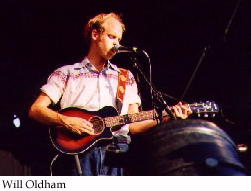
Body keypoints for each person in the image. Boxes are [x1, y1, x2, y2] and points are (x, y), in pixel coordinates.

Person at [28, 12, 192, 176]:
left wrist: (167, 117)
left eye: (119, 40)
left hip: (116, 154)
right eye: (112, 37)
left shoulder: (125, 78)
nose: (117, 44)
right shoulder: (67, 73)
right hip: (78, 155)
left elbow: (134, 124)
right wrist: (66, 121)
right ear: (95, 35)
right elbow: (36, 109)